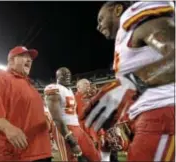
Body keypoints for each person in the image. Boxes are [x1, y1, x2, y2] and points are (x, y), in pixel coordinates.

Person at [82, 1, 175, 161]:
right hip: (152, 116)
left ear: (117, 9)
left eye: (101, 19)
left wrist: (131, 83)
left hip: (162, 113)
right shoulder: (127, 35)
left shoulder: (141, 20)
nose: (98, 26)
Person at [0, 46, 52, 161]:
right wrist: (8, 128)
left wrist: (46, 121)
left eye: (30, 59)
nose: (29, 60)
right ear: (11, 60)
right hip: (17, 153)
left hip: (42, 151)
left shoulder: (30, 85)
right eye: (24, 56)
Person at [44, 67, 101, 162]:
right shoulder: (53, 88)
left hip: (77, 127)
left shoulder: (69, 90)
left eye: (68, 74)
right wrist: (70, 139)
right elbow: (56, 118)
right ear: (57, 76)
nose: (67, 75)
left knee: (95, 156)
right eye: (63, 74)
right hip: (63, 128)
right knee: (70, 159)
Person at [75, 79, 99, 149]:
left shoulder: (89, 99)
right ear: (78, 87)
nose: (88, 85)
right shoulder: (74, 99)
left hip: (94, 131)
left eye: (89, 83)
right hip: (83, 133)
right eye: (85, 84)